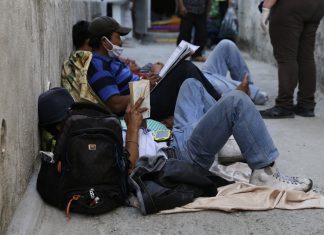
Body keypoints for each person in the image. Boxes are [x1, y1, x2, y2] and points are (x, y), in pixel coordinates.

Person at [125, 79, 312, 192]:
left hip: (173, 138)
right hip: (180, 158)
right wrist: (132, 129)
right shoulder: (103, 146)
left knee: (191, 85)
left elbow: (144, 138)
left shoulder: (105, 127)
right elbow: (130, 170)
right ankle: (265, 174)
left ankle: (224, 136)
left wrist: (139, 121)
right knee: (236, 101)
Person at [86, 16, 268, 122]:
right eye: (118, 37)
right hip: (143, 106)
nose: (121, 42)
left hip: (147, 95)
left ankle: (230, 99)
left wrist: (147, 80)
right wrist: (145, 88)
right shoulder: (98, 65)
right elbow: (115, 104)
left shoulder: (111, 60)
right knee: (185, 69)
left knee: (186, 72)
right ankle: (222, 102)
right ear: (104, 41)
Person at [259, 0, 324, 118]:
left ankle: (284, 105)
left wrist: (266, 7)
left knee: (286, 57)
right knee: (306, 56)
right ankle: (306, 105)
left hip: (291, 5)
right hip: (317, 6)